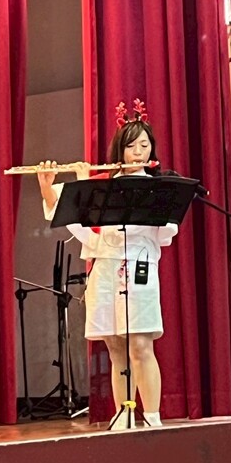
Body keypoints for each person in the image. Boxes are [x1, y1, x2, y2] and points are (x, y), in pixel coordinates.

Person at [37, 99, 177, 430]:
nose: (139, 152)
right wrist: (48, 188)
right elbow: (70, 215)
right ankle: (123, 411)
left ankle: (152, 416)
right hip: (105, 267)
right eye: (131, 146)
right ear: (120, 150)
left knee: (140, 343)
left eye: (144, 145)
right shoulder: (102, 183)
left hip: (139, 268)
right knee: (116, 345)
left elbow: (166, 231)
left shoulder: (159, 187)